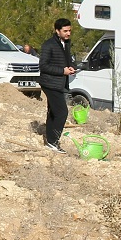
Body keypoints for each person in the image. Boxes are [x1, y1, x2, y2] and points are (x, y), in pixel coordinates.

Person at [38, 18, 76, 151]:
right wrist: (62, 71)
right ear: (57, 31)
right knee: (62, 112)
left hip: (60, 83)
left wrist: (71, 67)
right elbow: (43, 66)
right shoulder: (49, 45)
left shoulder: (66, 43)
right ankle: (53, 141)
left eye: (69, 30)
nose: (68, 33)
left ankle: (50, 141)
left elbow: (67, 60)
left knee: (53, 112)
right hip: (50, 83)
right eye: (65, 31)